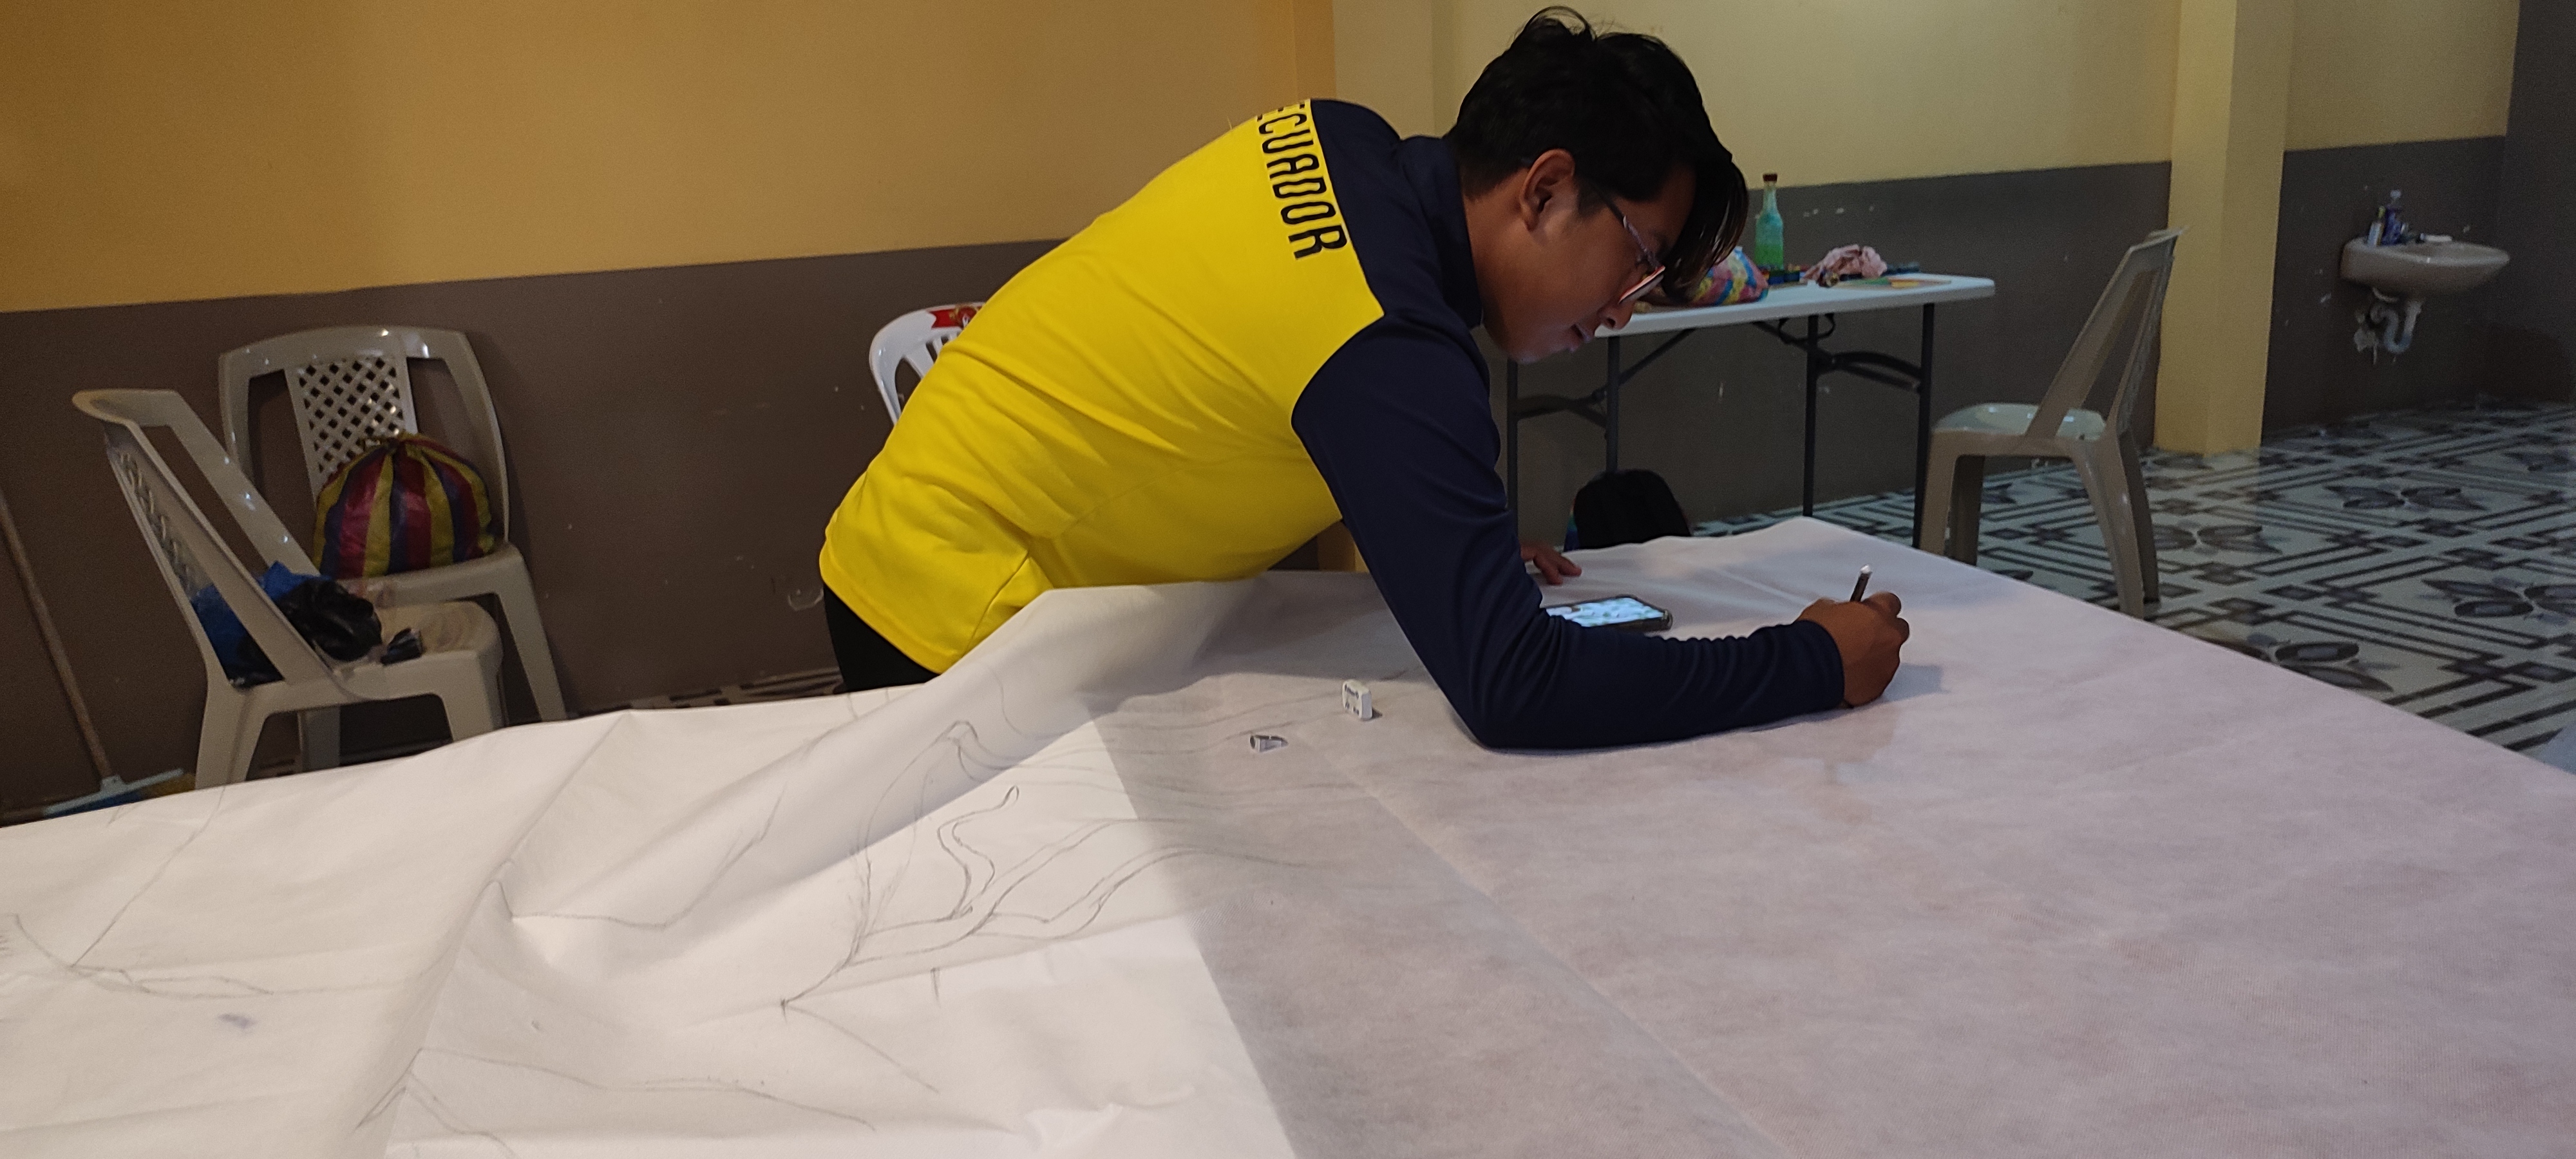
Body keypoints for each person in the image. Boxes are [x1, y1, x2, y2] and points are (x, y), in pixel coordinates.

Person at [816, 7, 1908, 748]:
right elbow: (1516, 689)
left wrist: (1431, 531)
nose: (1625, 306)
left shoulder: (1339, 144)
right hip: (953, 619)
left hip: (906, 535)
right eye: (1637, 254)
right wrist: (1810, 661)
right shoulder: (1390, 339)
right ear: (1543, 190)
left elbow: (1250, 376)